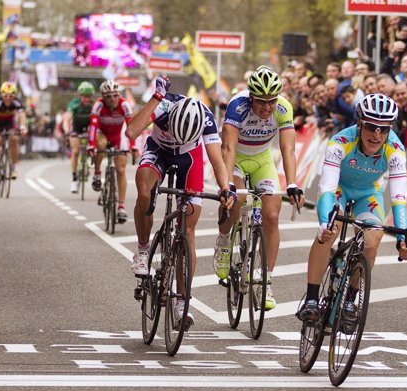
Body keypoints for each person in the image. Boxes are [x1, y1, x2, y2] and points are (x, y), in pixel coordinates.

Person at [296, 93, 407, 325]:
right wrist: (324, 223)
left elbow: (399, 197)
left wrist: (405, 238)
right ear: (359, 123)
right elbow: (328, 188)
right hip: (339, 189)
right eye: (371, 127)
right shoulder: (340, 143)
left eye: (384, 129)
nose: (377, 135)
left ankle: (350, 298)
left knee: (372, 241)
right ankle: (311, 299)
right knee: (329, 233)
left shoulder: (396, 150)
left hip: (368, 194)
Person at [126, 76, 234, 330]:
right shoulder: (163, 106)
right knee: (145, 192)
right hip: (159, 151)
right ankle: (143, 249)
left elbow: (217, 161)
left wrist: (225, 188)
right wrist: (156, 98)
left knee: (187, 231)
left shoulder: (206, 119)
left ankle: (182, 301)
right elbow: (131, 131)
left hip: (189, 158)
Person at [212, 65, 305, 310]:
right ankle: (223, 241)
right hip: (237, 159)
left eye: (271, 101)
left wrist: (293, 183)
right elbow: (228, 148)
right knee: (238, 200)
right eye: (262, 102)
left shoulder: (283, 108)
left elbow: (288, 149)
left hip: (262, 160)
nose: (267, 108)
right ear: (251, 97)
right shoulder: (238, 106)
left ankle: (265, 281)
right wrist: (228, 184)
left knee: (272, 215)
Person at [88, 80, 137, 224]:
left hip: (117, 138)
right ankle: (97, 173)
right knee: (100, 143)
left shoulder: (124, 105)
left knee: (121, 170)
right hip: (102, 135)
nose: (112, 99)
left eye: (115, 95)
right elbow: (92, 127)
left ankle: (121, 207)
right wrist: (91, 145)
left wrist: (133, 145)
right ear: (103, 97)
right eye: (108, 96)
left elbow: (131, 128)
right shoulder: (98, 105)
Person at [0, 82, 27, 179]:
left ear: (14, 95)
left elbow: (22, 115)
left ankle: (13, 168)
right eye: (6, 95)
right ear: (2, 94)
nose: (8, 98)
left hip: (9, 122)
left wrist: (22, 126)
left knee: (13, 139)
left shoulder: (17, 102)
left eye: (11, 95)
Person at [63, 81, 95, 193]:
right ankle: (74, 178)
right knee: (75, 151)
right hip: (76, 128)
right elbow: (67, 119)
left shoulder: (93, 105)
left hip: (89, 127)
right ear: (80, 96)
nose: (87, 99)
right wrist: (67, 131)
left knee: (95, 146)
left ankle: (90, 162)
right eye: (85, 97)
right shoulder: (74, 104)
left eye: (89, 97)